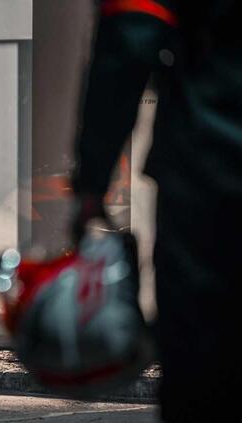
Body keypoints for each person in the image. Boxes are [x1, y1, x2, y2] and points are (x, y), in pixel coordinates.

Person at [71, 0, 242, 421]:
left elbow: (131, 37)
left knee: (203, 366)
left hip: (211, 167)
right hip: (208, 162)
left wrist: (92, 179)